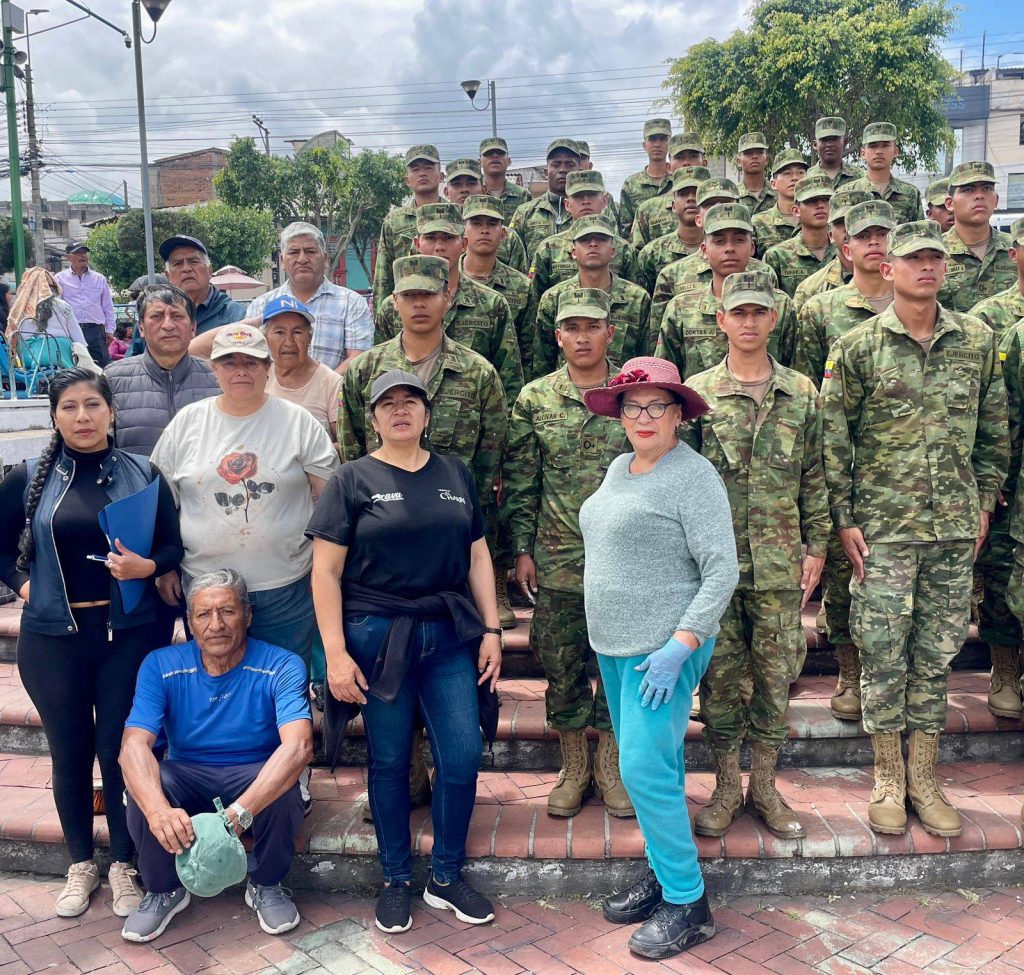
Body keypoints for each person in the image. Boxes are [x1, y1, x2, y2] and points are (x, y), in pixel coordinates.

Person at [820, 220, 1008, 838]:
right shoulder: (857, 347)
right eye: (913, 258)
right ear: (888, 269)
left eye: (935, 257)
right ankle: (887, 777)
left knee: (934, 655)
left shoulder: (977, 341)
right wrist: (844, 518)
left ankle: (924, 777)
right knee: (882, 651)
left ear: (945, 268)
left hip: (953, 529)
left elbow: (993, 430)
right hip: (883, 531)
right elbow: (834, 439)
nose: (926, 267)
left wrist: (982, 502)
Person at [309, 370, 502, 934]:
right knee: (390, 761)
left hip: (445, 635)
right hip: (375, 636)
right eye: (387, 404)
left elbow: (479, 557)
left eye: (410, 402)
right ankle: (395, 878)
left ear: (425, 413)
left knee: (462, 754)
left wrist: (490, 629)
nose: (400, 411)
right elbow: (324, 572)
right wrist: (336, 654)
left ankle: (445, 875)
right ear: (372, 417)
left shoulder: (453, 473)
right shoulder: (352, 479)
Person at [0, 367, 183, 920]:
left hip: (127, 636)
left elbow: (174, 549)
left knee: (120, 750)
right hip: (54, 638)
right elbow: (2, 548)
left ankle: (125, 862)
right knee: (70, 751)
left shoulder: (145, 475)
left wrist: (147, 566)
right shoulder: (27, 475)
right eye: (70, 408)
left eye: (92, 406)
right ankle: (82, 862)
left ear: (111, 411)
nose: (82, 417)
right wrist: (23, 584)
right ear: (55, 416)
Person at [580, 356, 737, 960]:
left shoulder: (695, 477)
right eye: (632, 406)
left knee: (642, 769)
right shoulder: (620, 468)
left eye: (657, 406)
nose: (643, 417)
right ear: (619, 416)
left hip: (663, 650)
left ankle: (689, 903)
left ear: (678, 415)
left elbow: (722, 569)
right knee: (658, 770)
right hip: (615, 648)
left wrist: (682, 644)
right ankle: (664, 872)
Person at [683, 271, 827, 840]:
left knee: (773, 679)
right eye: (737, 312)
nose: (747, 322)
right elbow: (678, 484)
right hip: (712, 569)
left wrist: (816, 545)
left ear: (773, 319)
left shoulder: (801, 392)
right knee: (719, 679)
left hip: (777, 563)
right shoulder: (695, 396)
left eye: (758, 313)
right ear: (721, 319)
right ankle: (724, 787)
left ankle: (763, 787)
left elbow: (814, 475)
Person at [119, 569, 312, 942]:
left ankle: (266, 883)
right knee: (144, 781)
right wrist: (158, 810)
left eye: (227, 611)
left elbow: (299, 746)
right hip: (189, 771)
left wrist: (240, 812)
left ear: (248, 615)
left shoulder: (282, 664)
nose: (216, 625)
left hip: (255, 771)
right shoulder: (160, 664)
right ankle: (164, 889)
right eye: (204, 615)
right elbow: (132, 746)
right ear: (190, 622)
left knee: (284, 785)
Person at [504, 289, 632, 818]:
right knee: (562, 665)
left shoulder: (634, 394)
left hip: (626, 562)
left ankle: (612, 766)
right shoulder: (535, 398)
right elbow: (521, 481)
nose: (582, 337)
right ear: (557, 336)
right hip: (558, 560)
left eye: (592, 326)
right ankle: (575, 766)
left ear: (609, 332)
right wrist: (522, 548)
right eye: (571, 328)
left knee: (620, 667)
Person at [152, 323, 338, 672]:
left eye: (251, 363)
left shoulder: (299, 422)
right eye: (229, 362)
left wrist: (326, 571)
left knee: (283, 683)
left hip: (285, 587)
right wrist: (164, 567)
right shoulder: (187, 423)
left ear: (268, 368)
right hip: (206, 589)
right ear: (214, 369)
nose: (240, 371)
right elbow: (161, 501)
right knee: (217, 682)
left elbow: (329, 501)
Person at [374, 203, 524, 427]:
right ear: (417, 243)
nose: (439, 246)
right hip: (402, 431)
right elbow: (379, 373)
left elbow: (510, 381)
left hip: (468, 433)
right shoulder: (391, 308)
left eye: (448, 238)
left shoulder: (492, 304)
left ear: (464, 243)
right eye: (431, 238)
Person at [970, 217, 1024, 719]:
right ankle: (1004, 665)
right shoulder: (995, 319)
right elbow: (998, 410)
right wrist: (995, 478)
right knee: (1004, 569)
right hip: (1013, 473)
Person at [197, 223, 374, 375]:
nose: (302, 259)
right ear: (282, 261)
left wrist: (321, 389)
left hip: (331, 403)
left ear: (325, 259)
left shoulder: (351, 302)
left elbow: (358, 357)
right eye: (294, 252)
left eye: (310, 251)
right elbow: (250, 356)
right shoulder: (261, 305)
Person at [655, 203, 796, 379]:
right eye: (719, 241)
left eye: (739, 240)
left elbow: (795, 371)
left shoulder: (780, 305)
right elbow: (665, 377)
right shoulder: (681, 308)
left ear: (752, 247)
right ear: (704, 250)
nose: (729, 248)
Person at [530, 214, 651, 380]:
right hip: (565, 396)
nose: (593, 244)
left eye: (601, 239)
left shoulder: (637, 298)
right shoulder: (554, 298)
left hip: (624, 394)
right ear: (573, 252)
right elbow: (542, 361)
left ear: (613, 251)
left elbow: (647, 357)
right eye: (585, 239)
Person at [105, 286, 219, 458]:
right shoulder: (112, 379)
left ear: (193, 328)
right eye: (156, 317)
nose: (168, 325)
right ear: (141, 328)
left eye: (177, 316)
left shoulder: (218, 378)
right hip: (139, 483)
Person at [527, 170, 641, 301]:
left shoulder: (623, 248)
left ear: (605, 201)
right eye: (578, 196)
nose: (586, 201)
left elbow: (635, 297)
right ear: (567, 204)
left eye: (592, 195)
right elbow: (535, 300)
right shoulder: (548, 248)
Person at [128, 235, 245, 357]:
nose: (186, 268)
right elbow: (132, 364)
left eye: (193, 261)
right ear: (168, 276)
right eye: (177, 263)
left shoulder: (235, 314)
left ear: (209, 270)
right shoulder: (151, 315)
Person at [460, 194, 532, 363]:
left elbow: (529, 350)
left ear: (503, 234)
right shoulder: (447, 280)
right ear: (464, 230)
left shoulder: (522, 286)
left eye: (492, 224)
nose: (484, 230)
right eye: (476, 223)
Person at [937, 161, 1017, 313]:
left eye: (987, 188)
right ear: (949, 203)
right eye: (968, 190)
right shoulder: (934, 251)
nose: (980, 196)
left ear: (996, 200)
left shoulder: (1016, 249)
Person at [263, 296, 342, 440]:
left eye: (297, 332)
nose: (289, 342)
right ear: (266, 339)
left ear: (310, 338)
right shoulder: (259, 377)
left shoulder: (332, 383)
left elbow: (346, 446)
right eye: (279, 332)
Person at [374, 145, 444, 303]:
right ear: (407, 180)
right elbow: (383, 276)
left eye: (428, 167)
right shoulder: (394, 221)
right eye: (415, 169)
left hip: (450, 302)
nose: (422, 173)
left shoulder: (456, 215)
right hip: (409, 305)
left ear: (441, 176)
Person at [792, 188, 873, 313]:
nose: (849, 228)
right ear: (830, 234)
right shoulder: (810, 290)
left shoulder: (901, 283)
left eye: (858, 221)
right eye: (841, 222)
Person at [441, 158, 527, 272]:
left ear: (484, 189)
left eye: (471, 183)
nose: (464, 189)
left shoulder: (507, 238)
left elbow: (521, 282)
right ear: (446, 192)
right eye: (457, 185)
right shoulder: (434, 235)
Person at [636, 166, 711, 294]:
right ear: (673, 206)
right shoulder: (651, 254)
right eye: (683, 194)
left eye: (697, 193)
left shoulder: (723, 250)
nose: (691, 198)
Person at [764, 175, 838, 298]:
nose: (820, 205)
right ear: (796, 211)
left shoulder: (844, 253)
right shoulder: (778, 256)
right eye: (811, 201)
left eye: (826, 200)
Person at [630, 135, 708, 250]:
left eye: (693, 156)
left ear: (705, 164)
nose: (686, 163)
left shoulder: (718, 204)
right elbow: (637, 258)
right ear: (669, 167)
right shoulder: (648, 210)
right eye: (679, 157)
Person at [510, 138, 581, 260]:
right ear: (546, 172)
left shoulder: (592, 211)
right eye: (556, 164)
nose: (563, 170)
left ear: (579, 171)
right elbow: (512, 256)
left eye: (570, 164)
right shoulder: (525, 213)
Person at [847, 123, 924, 225]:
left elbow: (919, 235)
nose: (879, 151)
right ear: (863, 153)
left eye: (885, 145)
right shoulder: (848, 193)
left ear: (896, 151)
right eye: (873, 146)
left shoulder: (911, 194)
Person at [55, 243, 115, 366]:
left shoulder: (99, 279)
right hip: (71, 330)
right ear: (68, 257)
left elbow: (108, 307)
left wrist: (110, 330)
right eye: (77, 253)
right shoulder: (59, 279)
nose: (82, 256)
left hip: (96, 331)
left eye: (84, 253)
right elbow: (56, 306)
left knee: (101, 367)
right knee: (75, 367)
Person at [618, 118, 673, 239]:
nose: (657, 144)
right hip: (642, 254)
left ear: (670, 144)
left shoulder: (678, 181)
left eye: (663, 139)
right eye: (652, 139)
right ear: (644, 145)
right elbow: (625, 229)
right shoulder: (631, 184)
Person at [6, 266, 86, 346]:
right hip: (61, 352)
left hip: (31, 353)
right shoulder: (62, 305)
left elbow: (12, 334)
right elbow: (75, 332)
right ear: (52, 288)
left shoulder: (20, 308)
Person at [752, 149, 807, 258]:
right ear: (773, 184)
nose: (795, 178)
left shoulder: (819, 220)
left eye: (800, 172)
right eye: (787, 173)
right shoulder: (758, 223)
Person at [479, 136, 531, 224]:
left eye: (500, 153)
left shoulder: (523, 196)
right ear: (479, 162)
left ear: (509, 161)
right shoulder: (474, 194)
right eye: (488, 153)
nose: (495, 156)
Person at [806, 116, 862, 189]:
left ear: (845, 142)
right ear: (815, 145)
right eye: (824, 139)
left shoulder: (861, 177)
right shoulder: (806, 178)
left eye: (834, 139)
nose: (829, 144)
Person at [736, 132, 777, 216]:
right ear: (738, 161)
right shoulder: (732, 197)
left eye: (760, 152)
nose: (755, 156)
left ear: (766, 159)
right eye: (748, 153)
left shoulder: (779, 195)